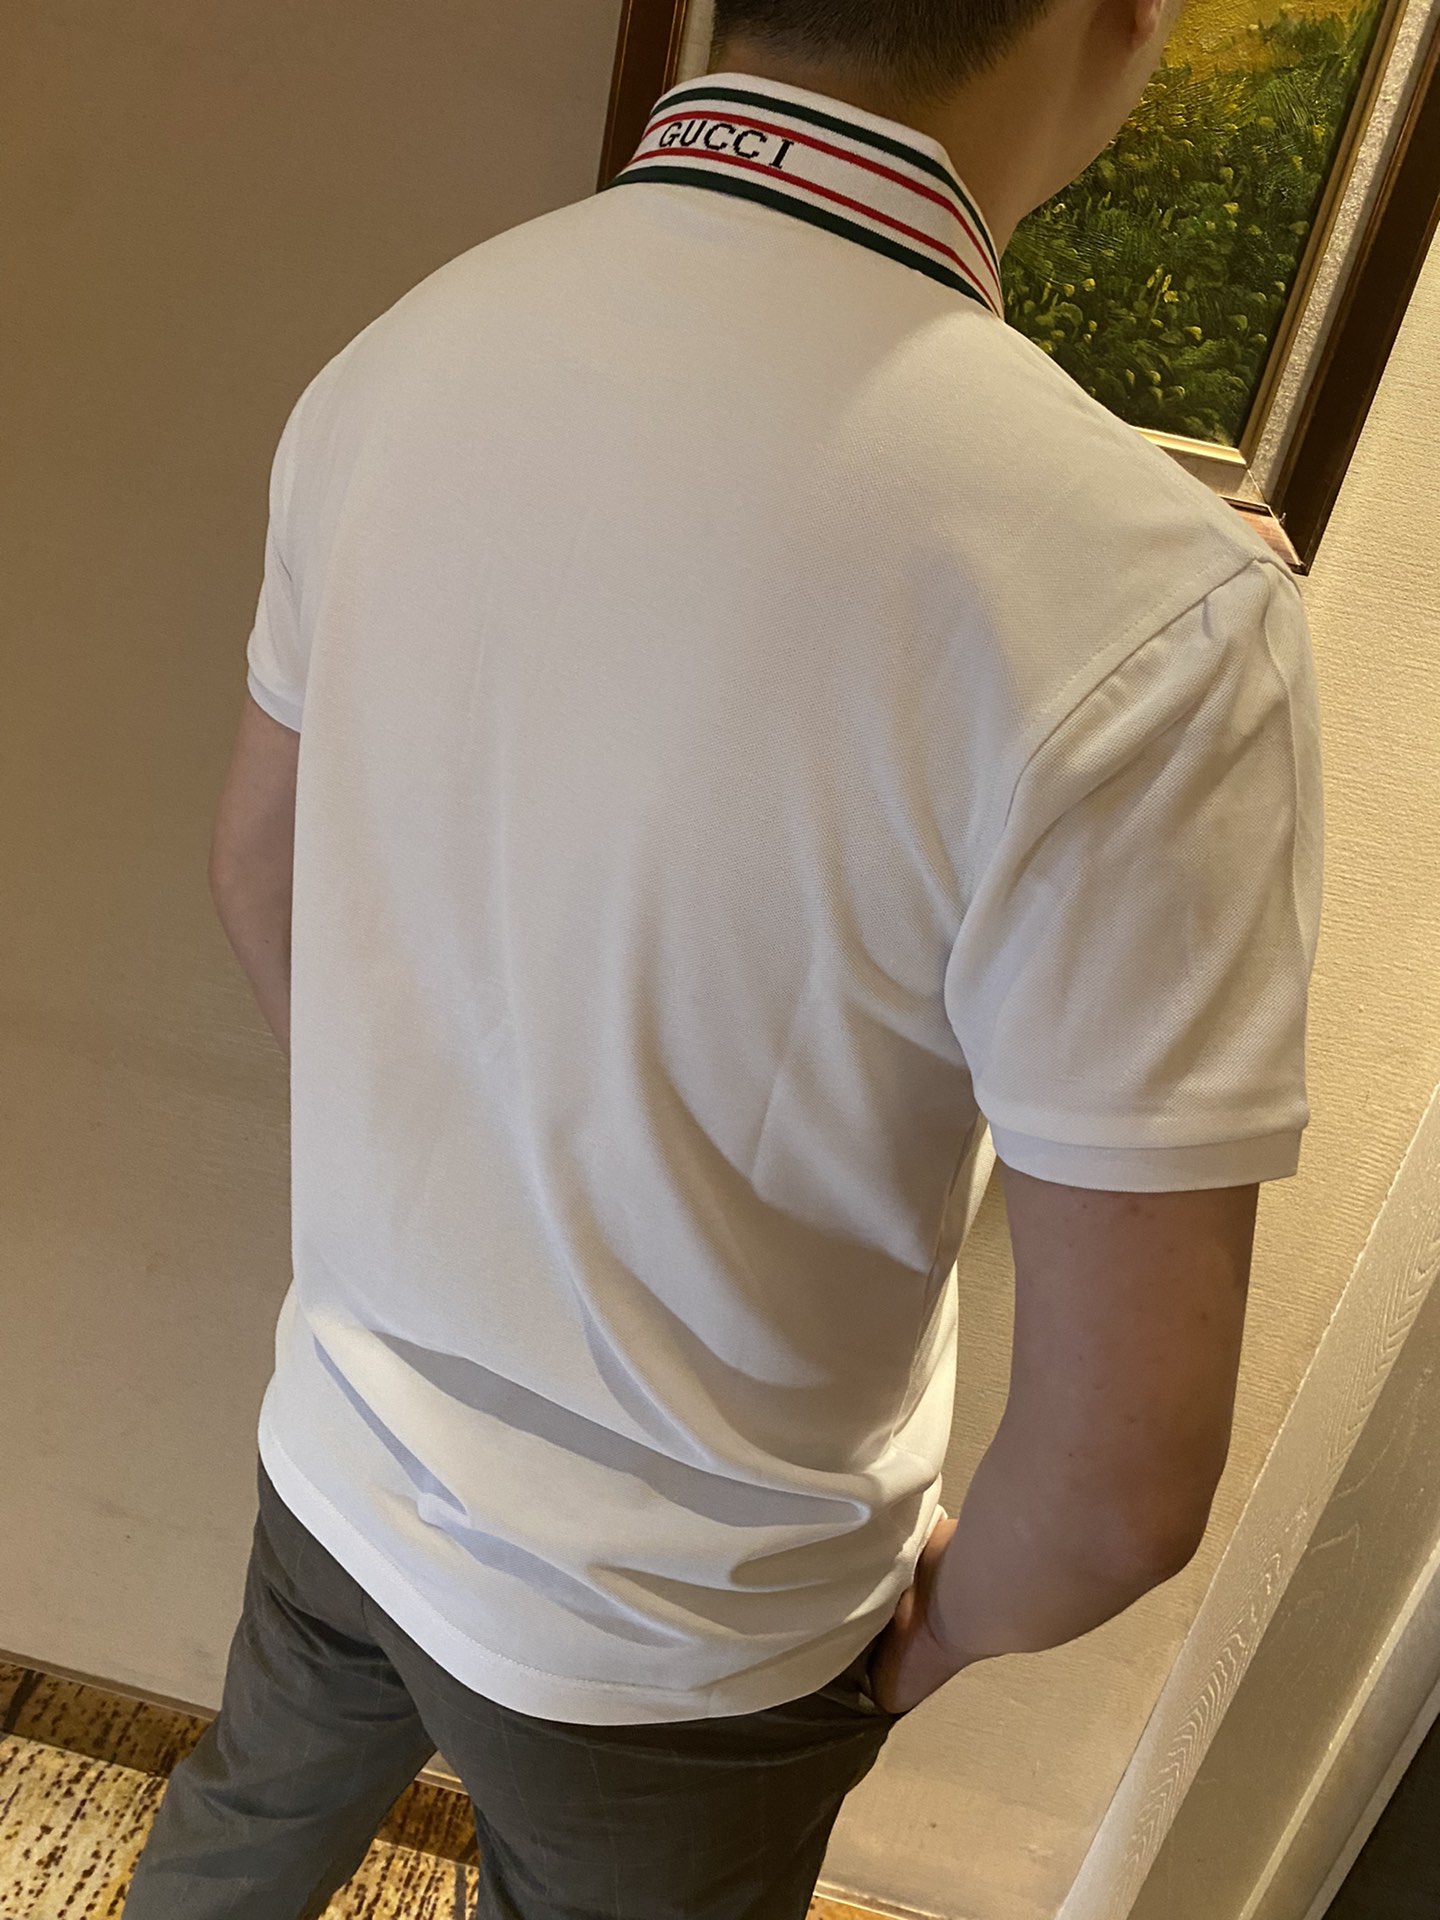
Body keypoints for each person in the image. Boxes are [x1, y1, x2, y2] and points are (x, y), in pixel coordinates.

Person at [123, 0, 1323, 1912]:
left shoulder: (400, 356)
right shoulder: (1148, 603)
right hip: (692, 1632)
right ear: (1122, 22)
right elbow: (1123, 1481)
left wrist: (439, 1193)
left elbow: (255, 874)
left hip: (343, 1444)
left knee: (234, 1837)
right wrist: (931, 1640)